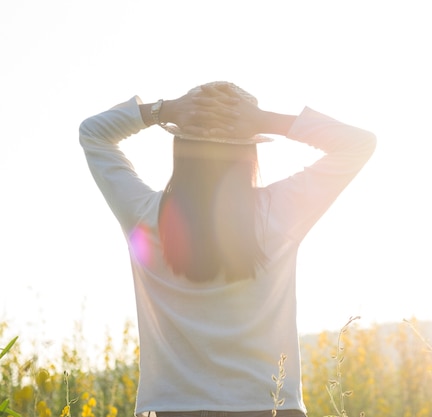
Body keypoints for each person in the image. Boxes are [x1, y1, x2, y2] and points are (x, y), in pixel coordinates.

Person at [79, 81, 376, 417]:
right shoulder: (277, 213)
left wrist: (167, 110)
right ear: (249, 151)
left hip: (174, 409)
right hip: (271, 406)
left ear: (179, 146)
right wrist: (264, 120)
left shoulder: (145, 216)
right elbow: (358, 144)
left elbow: (93, 133)